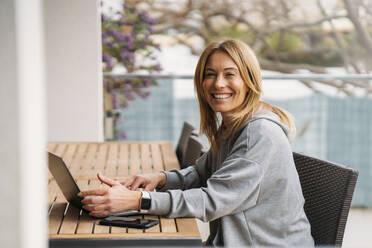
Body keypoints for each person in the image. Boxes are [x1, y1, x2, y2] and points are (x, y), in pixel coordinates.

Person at [79, 39, 314, 247]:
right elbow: (202, 174)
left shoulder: (260, 133)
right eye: (210, 74)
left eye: (230, 74)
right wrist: (159, 179)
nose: (218, 83)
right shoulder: (232, 126)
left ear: (249, 80)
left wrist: (139, 200)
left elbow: (212, 200)